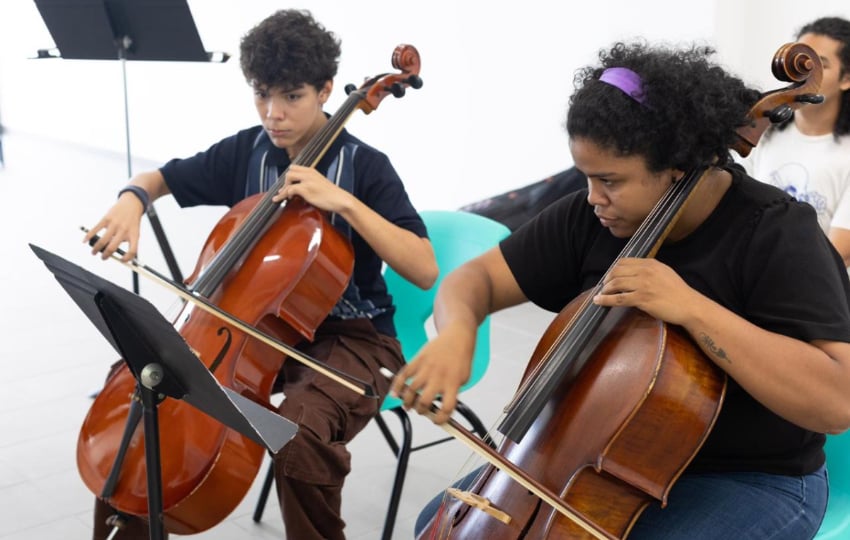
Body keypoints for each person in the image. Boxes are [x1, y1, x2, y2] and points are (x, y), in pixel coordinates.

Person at [393, 41, 850, 539]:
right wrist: (456, 334)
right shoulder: (592, 216)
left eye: (609, 180)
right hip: (598, 459)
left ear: (679, 165)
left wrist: (694, 310)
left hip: (750, 477)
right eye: (586, 177)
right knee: (435, 526)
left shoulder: (776, 234)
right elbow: (473, 280)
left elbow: (835, 402)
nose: (593, 198)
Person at [83, 9, 437, 540]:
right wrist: (133, 199)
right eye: (261, 94)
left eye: (291, 97)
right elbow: (159, 178)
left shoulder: (366, 167)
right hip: (249, 331)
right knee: (146, 392)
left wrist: (344, 203)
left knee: (299, 433)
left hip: (354, 340)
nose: (274, 114)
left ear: (324, 91)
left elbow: (424, 268)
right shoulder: (248, 150)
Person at [739, 16, 850, 265]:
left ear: (846, 79)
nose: (805, 74)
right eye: (801, 62)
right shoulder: (763, 135)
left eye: (821, 65)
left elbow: (838, 253)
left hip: (817, 288)